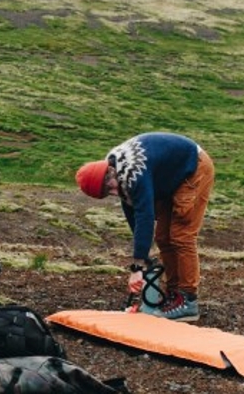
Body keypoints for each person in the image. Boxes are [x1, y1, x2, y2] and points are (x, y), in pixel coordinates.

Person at [75, 132, 214, 321]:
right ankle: (174, 295)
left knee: (181, 235)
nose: (115, 192)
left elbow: (145, 216)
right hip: (169, 178)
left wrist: (137, 267)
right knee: (163, 237)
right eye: (109, 193)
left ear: (110, 172)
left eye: (112, 187)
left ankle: (188, 300)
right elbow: (133, 214)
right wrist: (145, 258)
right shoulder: (116, 170)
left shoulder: (133, 173)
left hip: (193, 167)